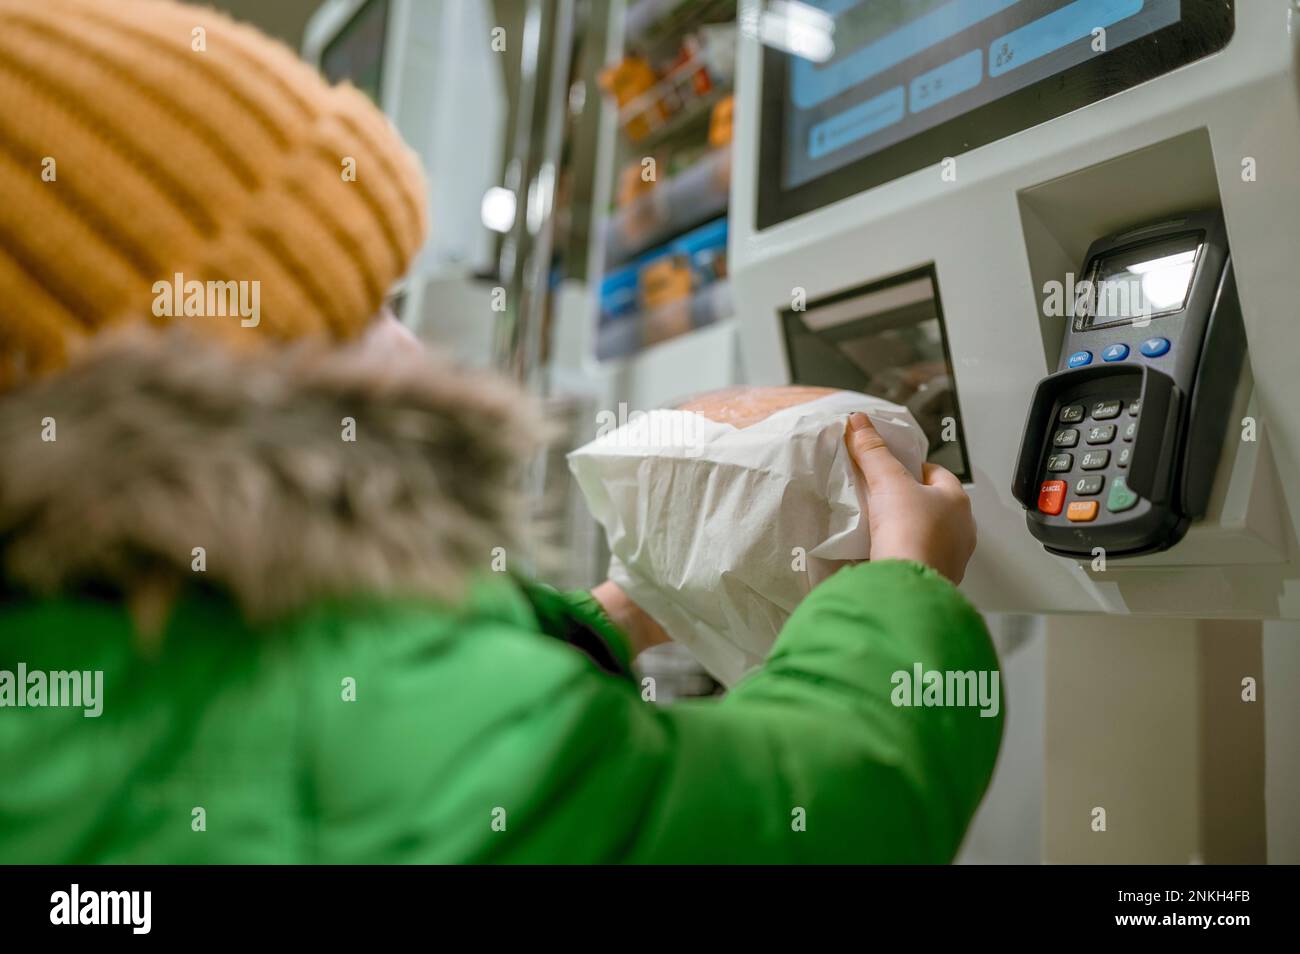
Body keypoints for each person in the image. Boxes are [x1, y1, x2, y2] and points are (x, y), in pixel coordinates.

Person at [0, 0, 1000, 863]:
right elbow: (810, 815)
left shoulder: (103, 638)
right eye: (355, 306)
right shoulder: (370, 731)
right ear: (209, 366)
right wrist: (902, 594)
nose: (416, 347)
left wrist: (617, 613)